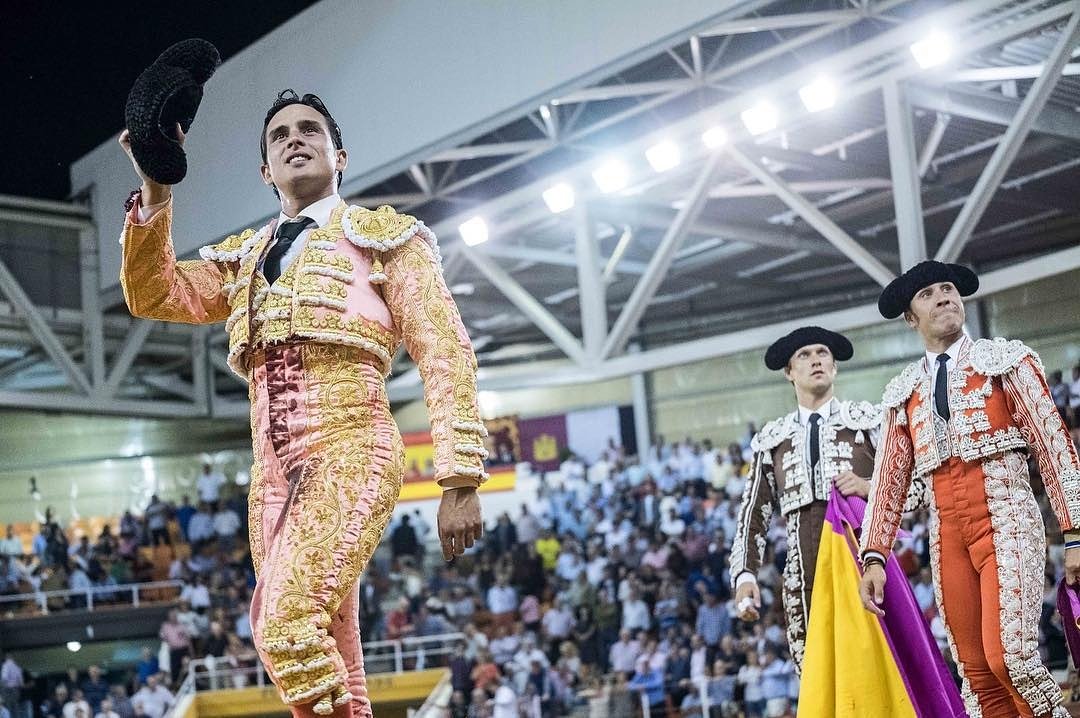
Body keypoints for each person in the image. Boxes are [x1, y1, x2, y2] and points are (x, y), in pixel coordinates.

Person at [118, 88, 485, 716]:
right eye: (280, 134)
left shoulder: (386, 237)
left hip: (353, 446)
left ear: (338, 155)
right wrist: (156, 188)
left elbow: (442, 347)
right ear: (265, 170)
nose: (295, 138)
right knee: (330, 650)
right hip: (272, 476)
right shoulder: (244, 258)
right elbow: (155, 292)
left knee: (284, 628)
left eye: (310, 129)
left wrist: (461, 477)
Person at [859, 260, 1080, 718]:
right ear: (910, 318)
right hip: (948, 537)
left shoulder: (1007, 362)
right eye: (928, 294)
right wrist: (875, 555)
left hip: (1008, 518)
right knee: (977, 673)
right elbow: (889, 480)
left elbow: (1054, 447)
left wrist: (1076, 535)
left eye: (948, 288)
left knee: (1012, 661)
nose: (943, 297)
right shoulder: (903, 392)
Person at [730, 326, 923, 670]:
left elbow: (921, 487)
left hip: (868, 568)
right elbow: (752, 517)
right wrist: (745, 577)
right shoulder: (772, 441)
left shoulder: (869, 423)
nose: (816, 360)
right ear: (789, 372)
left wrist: (869, 487)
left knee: (883, 670)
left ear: (835, 367)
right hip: (803, 580)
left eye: (823, 353)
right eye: (804, 355)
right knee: (819, 681)